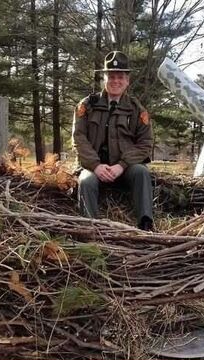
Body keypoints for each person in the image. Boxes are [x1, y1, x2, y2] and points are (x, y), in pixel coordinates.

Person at [72, 51, 154, 231]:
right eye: (111, 76)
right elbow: (79, 138)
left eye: (120, 77)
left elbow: (145, 143)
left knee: (141, 172)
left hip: (125, 169)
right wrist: (95, 166)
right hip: (93, 168)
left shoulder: (136, 109)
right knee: (85, 181)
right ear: (104, 78)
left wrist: (122, 165)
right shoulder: (87, 105)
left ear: (127, 81)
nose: (115, 81)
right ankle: (89, 229)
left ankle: (146, 224)